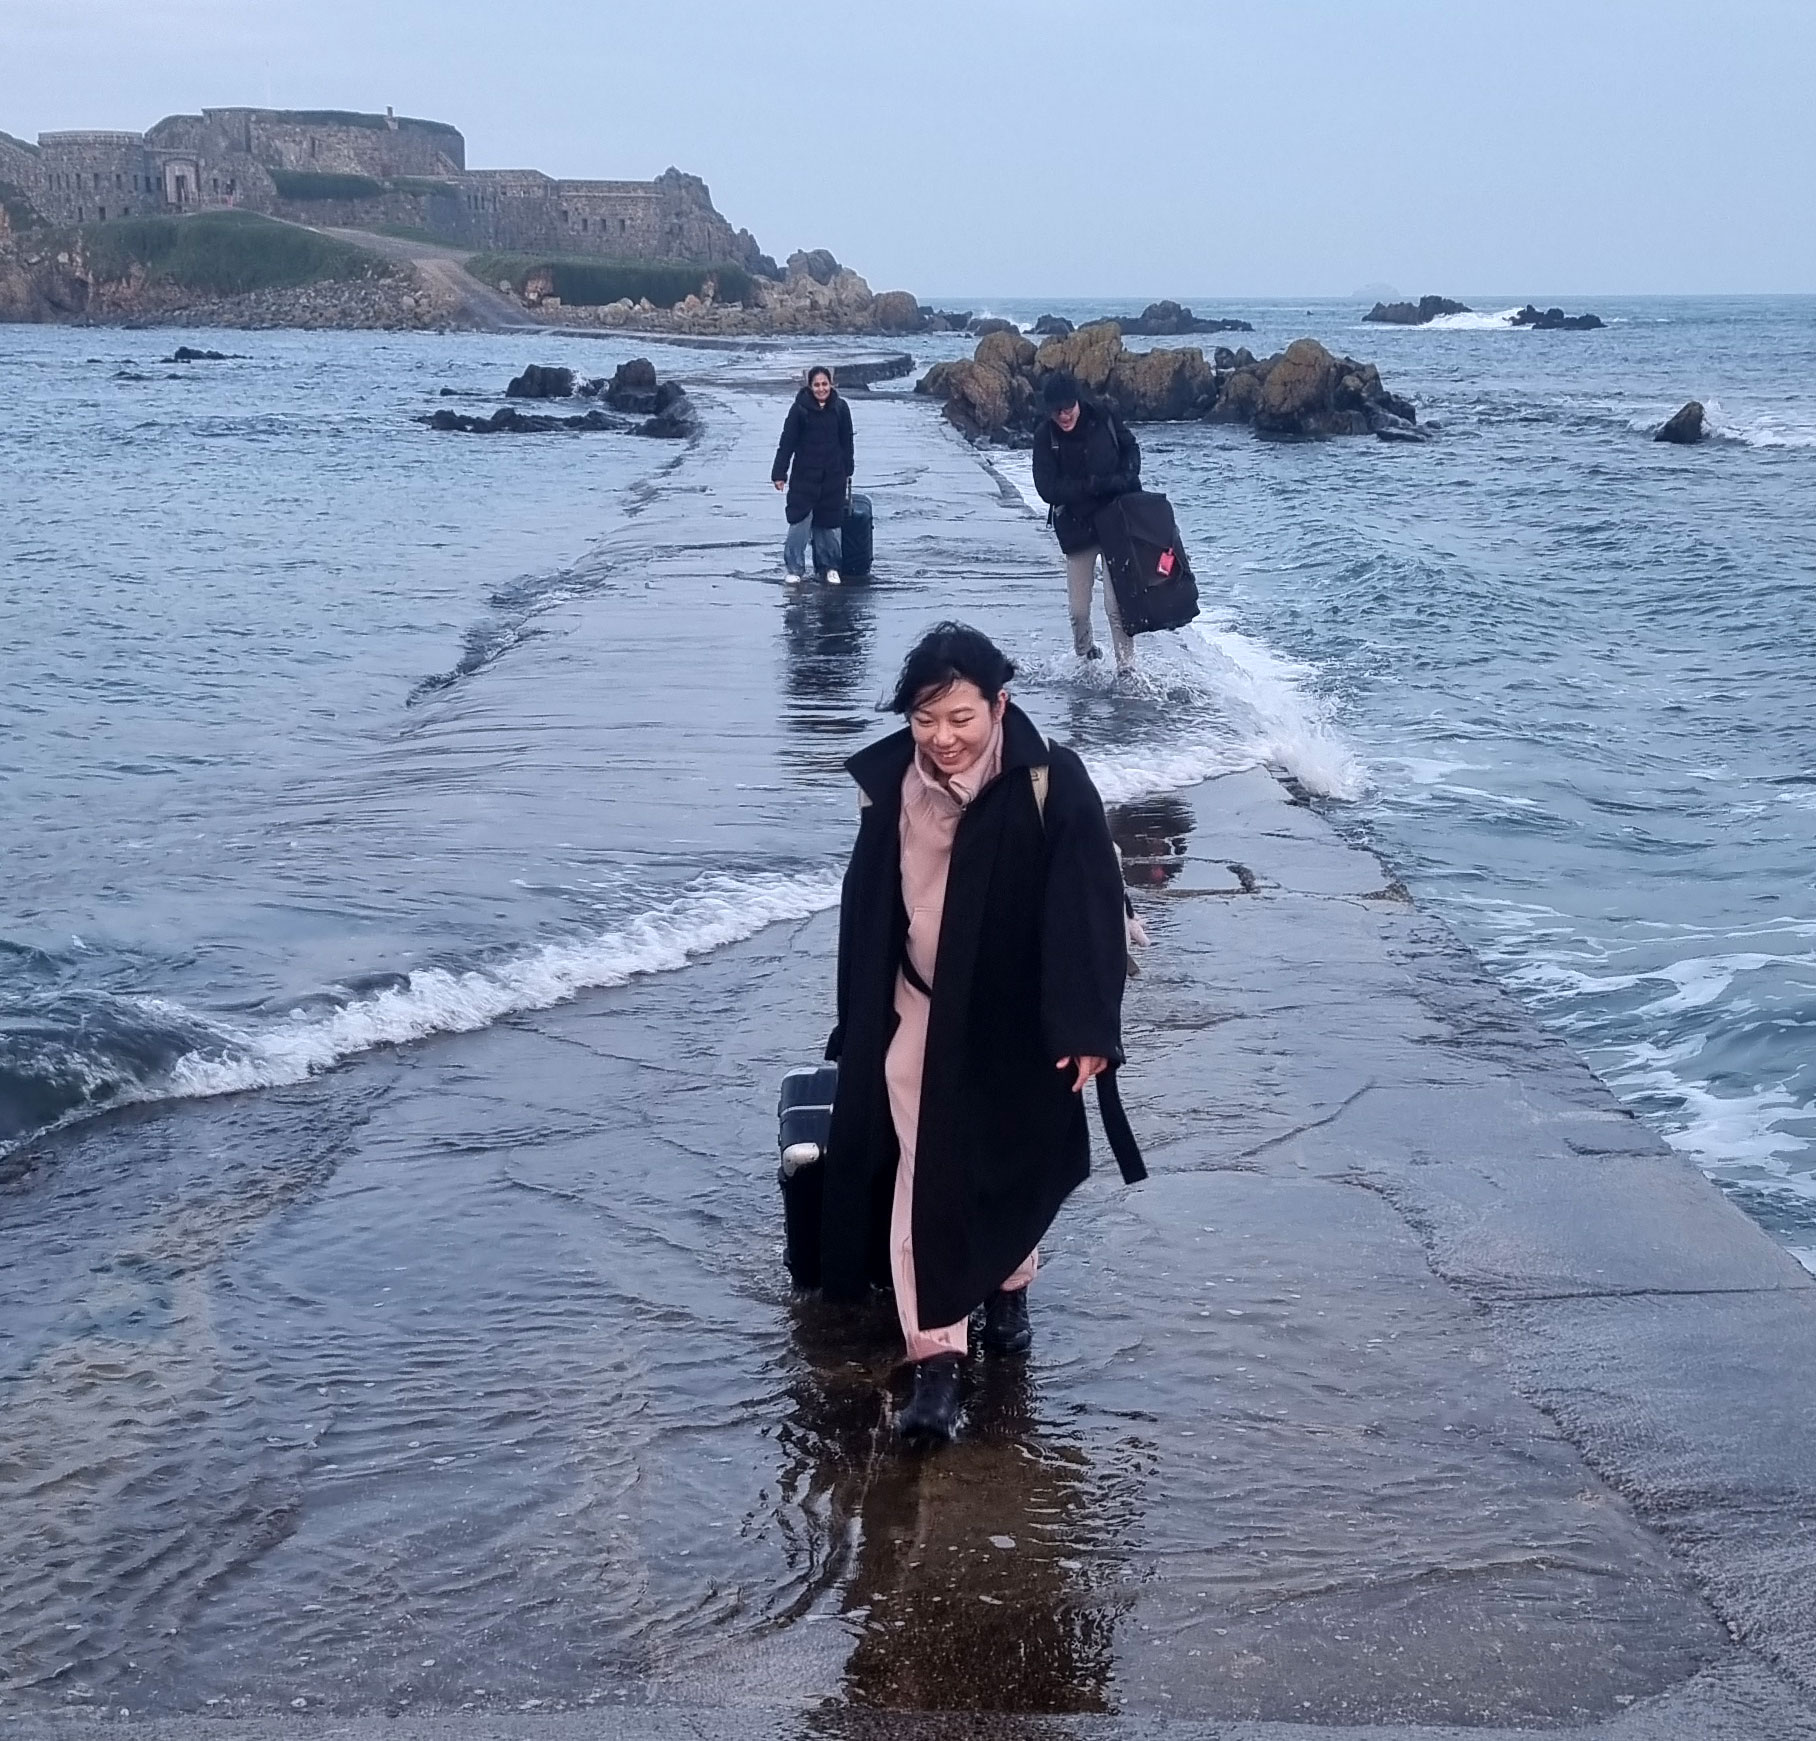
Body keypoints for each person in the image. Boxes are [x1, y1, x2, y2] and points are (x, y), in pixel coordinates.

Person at [818, 622, 1143, 1446]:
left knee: (1009, 1157)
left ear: (999, 704)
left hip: (1018, 1015)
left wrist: (1088, 1026)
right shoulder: (889, 782)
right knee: (928, 1165)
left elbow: (1089, 905)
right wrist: (856, 1017)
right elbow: (867, 907)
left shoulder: (1051, 781)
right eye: (925, 719)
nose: (942, 738)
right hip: (920, 1004)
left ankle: (1009, 1287)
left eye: (960, 717)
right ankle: (936, 1361)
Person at [1030, 371, 1142, 672]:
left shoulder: (1104, 416)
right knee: (1079, 610)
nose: (1063, 416)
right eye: (1056, 411)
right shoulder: (1045, 436)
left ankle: (1127, 668)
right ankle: (1085, 656)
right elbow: (1047, 489)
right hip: (1077, 527)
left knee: (1116, 606)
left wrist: (1127, 477)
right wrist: (1093, 486)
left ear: (1077, 401)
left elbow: (1130, 448)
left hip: (1116, 520)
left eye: (1068, 408)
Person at [772, 365, 855, 584]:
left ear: (831, 384)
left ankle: (830, 567)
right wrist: (779, 473)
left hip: (833, 476)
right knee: (799, 522)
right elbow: (787, 442)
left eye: (824, 384)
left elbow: (847, 441)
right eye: (816, 385)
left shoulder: (840, 408)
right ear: (810, 386)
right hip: (804, 477)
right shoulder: (799, 409)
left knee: (829, 525)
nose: (821, 389)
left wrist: (848, 469)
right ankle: (794, 569)